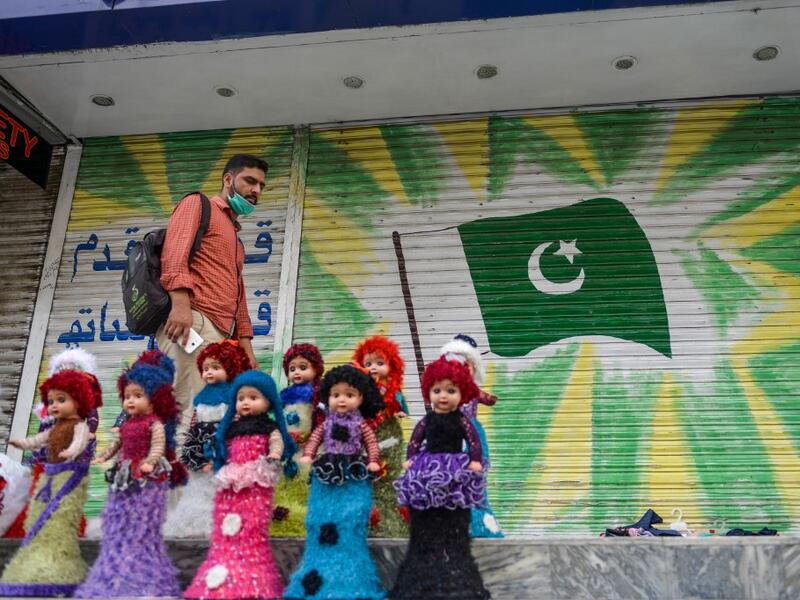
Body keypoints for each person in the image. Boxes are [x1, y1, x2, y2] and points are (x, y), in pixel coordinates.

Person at [158, 154, 267, 431]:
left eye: (261, 186)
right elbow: (174, 254)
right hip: (193, 322)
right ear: (228, 179)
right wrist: (181, 306)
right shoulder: (197, 204)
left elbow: (238, 295)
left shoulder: (234, 236)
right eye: (250, 181)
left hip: (219, 336)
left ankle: (205, 473)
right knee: (191, 413)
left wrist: (246, 347)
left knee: (215, 418)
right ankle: (181, 474)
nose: (256, 191)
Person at [75, 351, 182, 598]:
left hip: (148, 479)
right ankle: (116, 566)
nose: (130, 401)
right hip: (124, 476)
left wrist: (151, 461)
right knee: (118, 518)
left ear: (155, 400)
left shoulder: (155, 424)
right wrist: (104, 456)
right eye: (127, 396)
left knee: (141, 521)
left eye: (138, 396)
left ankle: (140, 571)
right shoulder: (126, 424)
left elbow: (157, 446)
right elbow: (117, 445)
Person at [184, 370, 296, 599]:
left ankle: (251, 577)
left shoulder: (268, 428)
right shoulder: (231, 429)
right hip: (230, 487)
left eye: (253, 398)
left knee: (251, 525)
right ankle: (222, 575)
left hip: (256, 486)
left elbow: (277, 443)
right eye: (241, 398)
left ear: (268, 401)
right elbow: (221, 450)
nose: (246, 403)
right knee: (226, 526)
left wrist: (274, 454)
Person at [284, 364, 386, 600]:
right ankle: (318, 573)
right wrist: (308, 453)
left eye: (349, 395)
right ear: (327, 397)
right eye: (336, 395)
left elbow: (371, 443)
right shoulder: (326, 423)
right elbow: (315, 439)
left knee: (348, 521)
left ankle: (349, 575)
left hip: (352, 471)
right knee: (322, 518)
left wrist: (373, 460)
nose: (342, 400)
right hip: (327, 471)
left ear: (361, 398)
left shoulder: (361, 425)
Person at [391, 356, 489, 600]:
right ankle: (421, 582)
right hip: (427, 470)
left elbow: (473, 441)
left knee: (454, 526)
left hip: (455, 469)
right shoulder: (427, 420)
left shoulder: (462, 421)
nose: (443, 396)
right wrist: (411, 457)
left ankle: (457, 583)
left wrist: (475, 460)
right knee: (425, 528)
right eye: (437, 390)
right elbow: (415, 439)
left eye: (450, 390)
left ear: (461, 393)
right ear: (428, 393)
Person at [0, 359, 99, 597]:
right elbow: (39, 441)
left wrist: (72, 453)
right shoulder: (49, 418)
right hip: (43, 475)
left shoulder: (81, 420)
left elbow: (82, 441)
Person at [163, 339, 251, 538]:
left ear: (229, 368)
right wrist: (192, 447)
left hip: (224, 446)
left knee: (223, 485)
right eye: (205, 368)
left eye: (216, 367)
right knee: (200, 486)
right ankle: (199, 522)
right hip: (201, 447)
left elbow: (237, 420)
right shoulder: (201, 396)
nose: (209, 372)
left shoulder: (233, 395)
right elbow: (195, 421)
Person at [440, 333, 503, 538]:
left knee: (474, 478)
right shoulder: (445, 391)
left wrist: (490, 398)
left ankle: (479, 522)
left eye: (465, 365)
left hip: (472, 435)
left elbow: (483, 397)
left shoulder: (471, 390)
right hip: (450, 433)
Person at [352, 335, 409, 537]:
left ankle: (389, 516)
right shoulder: (361, 390)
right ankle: (369, 513)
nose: (374, 368)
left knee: (388, 471)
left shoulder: (392, 389)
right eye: (368, 363)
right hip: (367, 432)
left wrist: (401, 410)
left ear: (391, 365)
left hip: (389, 430)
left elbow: (400, 402)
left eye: (379, 363)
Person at [272, 343, 324, 537]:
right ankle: (286, 512)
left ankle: (309, 512)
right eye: (292, 369)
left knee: (308, 478)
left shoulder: (318, 395)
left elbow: (321, 421)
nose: (296, 373)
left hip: (309, 447)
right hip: (289, 447)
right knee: (288, 479)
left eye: (303, 367)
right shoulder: (284, 396)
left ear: (316, 368)